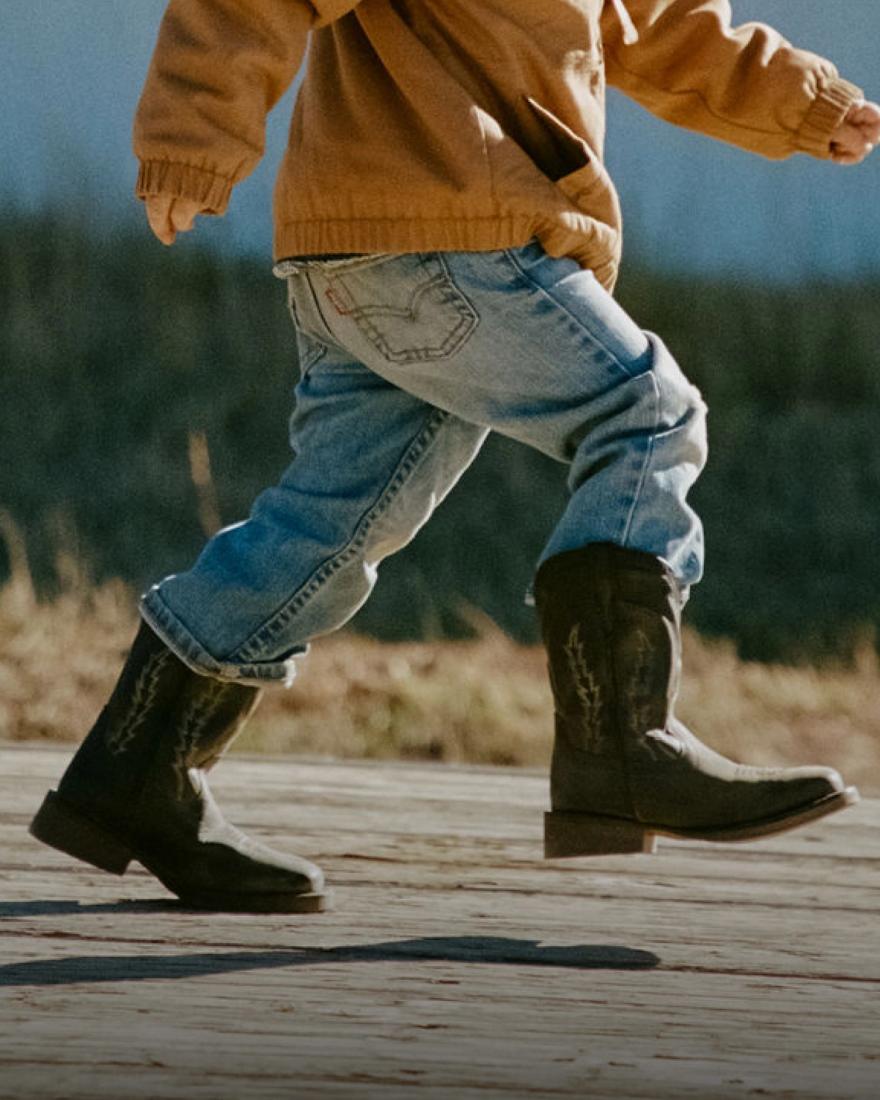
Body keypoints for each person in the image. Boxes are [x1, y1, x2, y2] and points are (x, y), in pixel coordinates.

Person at [30, 0, 880, 913]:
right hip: (455, 225)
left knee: (332, 520)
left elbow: (659, 21)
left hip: (368, 243)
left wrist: (807, 100)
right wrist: (195, 132)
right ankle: (622, 741)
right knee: (646, 414)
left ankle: (137, 768)